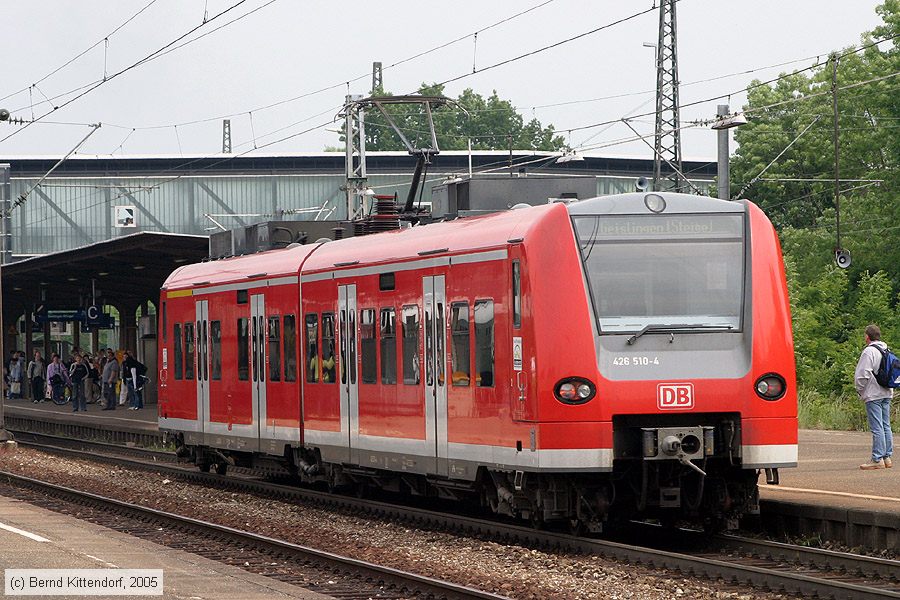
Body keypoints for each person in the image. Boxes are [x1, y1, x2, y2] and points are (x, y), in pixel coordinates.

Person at [854, 324, 894, 470]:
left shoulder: (869, 351)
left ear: (867, 336)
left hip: (873, 394)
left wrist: (860, 390)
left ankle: (877, 459)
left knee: (877, 427)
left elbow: (862, 374)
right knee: (886, 426)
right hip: (887, 392)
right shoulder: (886, 349)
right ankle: (887, 457)